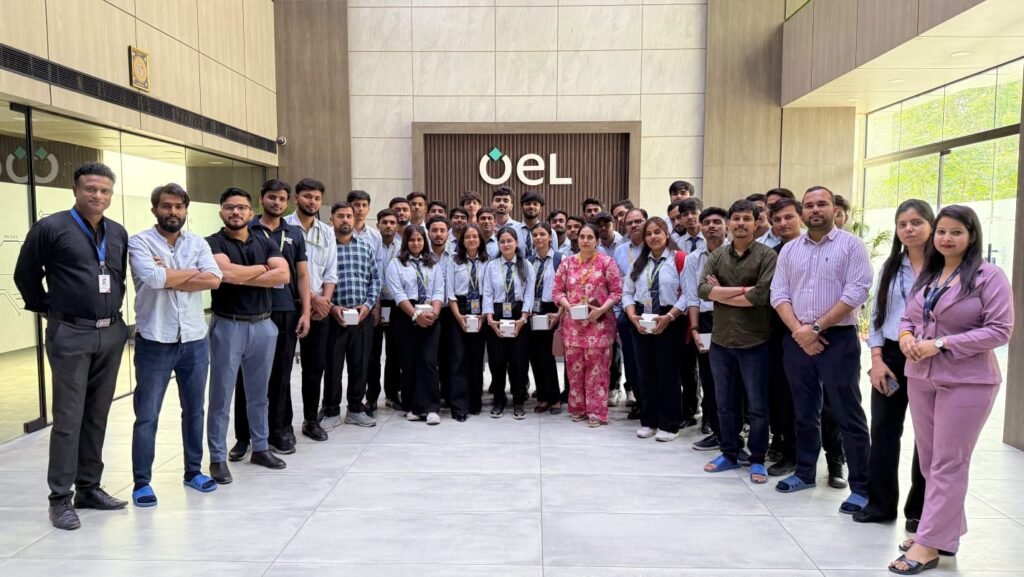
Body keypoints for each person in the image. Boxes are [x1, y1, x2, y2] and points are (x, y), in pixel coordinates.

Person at [888, 205, 1013, 574]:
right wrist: (906, 336)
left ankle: (928, 544)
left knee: (948, 461)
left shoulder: (989, 277)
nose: (946, 238)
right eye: (941, 231)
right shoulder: (930, 273)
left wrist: (942, 344)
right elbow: (909, 317)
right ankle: (943, 530)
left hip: (967, 381)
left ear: (971, 236)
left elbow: (1000, 330)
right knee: (930, 461)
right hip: (921, 376)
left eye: (956, 232)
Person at [15, 162, 131, 530]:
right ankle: (60, 499)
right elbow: (25, 275)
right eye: (90, 189)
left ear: (111, 194)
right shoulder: (51, 228)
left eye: (104, 190)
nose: (98, 195)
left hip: (111, 333)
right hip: (70, 332)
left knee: (97, 414)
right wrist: (50, 309)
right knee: (68, 417)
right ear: (76, 190)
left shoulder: (118, 232)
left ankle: (89, 488)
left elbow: (117, 277)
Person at [770, 186, 873, 516]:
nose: (815, 209)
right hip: (797, 338)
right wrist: (800, 332)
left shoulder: (851, 245)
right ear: (803, 211)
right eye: (809, 205)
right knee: (803, 410)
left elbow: (857, 291)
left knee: (846, 412)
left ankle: (862, 487)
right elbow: (778, 294)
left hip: (838, 338)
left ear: (834, 209)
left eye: (822, 204)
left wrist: (815, 329)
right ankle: (804, 473)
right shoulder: (789, 250)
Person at [128, 183, 222, 508]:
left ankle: (193, 471)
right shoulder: (139, 241)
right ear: (154, 209)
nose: (173, 212)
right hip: (155, 340)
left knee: (194, 410)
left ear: (185, 210)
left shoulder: (197, 242)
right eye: (166, 206)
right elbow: (153, 279)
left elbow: (214, 279)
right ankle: (142, 482)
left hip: (194, 339)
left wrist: (170, 273)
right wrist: (189, 273)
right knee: (147, 414)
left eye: (179, 206)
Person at [853, 200, 933, 527]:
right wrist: (876, 359)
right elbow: (876, 316)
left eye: (916, 222)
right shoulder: (891, 266)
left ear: (931, 225)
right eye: (902, 224)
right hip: (891, 355)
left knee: (928, 436)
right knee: (884, 431)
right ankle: (880, 505)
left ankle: (920, 512)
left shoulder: (945, 267)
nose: (909, 229)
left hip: (930, 355)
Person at [206, 188, 291, 484]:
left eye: (242, 207)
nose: (236, 212)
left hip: (263, 325)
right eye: (230, 207)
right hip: (228, 325)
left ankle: (261, 448)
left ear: (250, 211)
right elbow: (226, 274)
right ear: (221, 211)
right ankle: (217, 457)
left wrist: (243, 274)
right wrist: (263, 269)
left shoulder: (264, 240)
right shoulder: (212, 242)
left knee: (259, 394)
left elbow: (283, 275)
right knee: (221, 395)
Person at [699, 200, 777, 484]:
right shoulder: (718, 255)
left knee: (757, 406)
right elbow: (703, 290)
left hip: (754, 343)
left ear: (756, 223)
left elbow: (761, 296)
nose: (741, 223)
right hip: (721, 342)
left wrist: (722, 292)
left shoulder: (767, 255)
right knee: (724, 403)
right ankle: (729, 453)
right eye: (736, 219)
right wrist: (743, 290)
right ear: (729, 223)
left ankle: (757, 459)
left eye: (747, 218)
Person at [231, 180, 310, 458]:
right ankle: (243, 436)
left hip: (286, 310)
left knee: (280, 374)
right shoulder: (248, 229)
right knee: (246, 375)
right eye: (272, 197)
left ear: (287, 202)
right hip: (253, 311)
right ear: (261, 199)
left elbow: (302, 275)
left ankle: (278, 430)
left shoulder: (294, 233)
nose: (277, 202)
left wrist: (306, 312)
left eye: (281, 198)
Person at [623, 217, 687, 441]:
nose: (653, 237)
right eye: (649, 233)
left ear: (667, 234)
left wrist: (669, 317)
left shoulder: (679, 259)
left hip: (669, 318)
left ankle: (670, 424)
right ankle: (649, 421)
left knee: (668, 373)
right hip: (642, 317)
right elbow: (627, 292)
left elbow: (688, 294)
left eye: (657, 232)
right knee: (646, 373)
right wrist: (632, 316)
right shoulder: (639, 262)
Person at [553, 223, 623, 427]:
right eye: (582, 237)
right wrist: (567, 306)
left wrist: (602, 309)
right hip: (573, 326)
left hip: (599, 325)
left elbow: (616, 292)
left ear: (597, 240)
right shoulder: (567, 263)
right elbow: (557, 291)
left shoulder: (607, 263)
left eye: (590, 237)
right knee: (574, 370)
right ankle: (577, 408)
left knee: (598, 371)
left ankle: (596, 412)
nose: (585, 240)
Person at [285, 178, 337, 441]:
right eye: (307, 196)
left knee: (315, 367)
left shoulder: (326, 232)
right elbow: (287, 272)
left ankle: (310, 420)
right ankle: (282, 424)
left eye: (316, 198)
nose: (312, 202)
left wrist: (324, 301)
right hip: (288, 305)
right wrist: (312, 298)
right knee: (282, 367)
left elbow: (331, 271)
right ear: (296, 198)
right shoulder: (284, 227)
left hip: (319, 309)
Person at [323, 201, 380, 429]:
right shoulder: (326, 246)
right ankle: (331, 411)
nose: (345, 219)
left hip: (361, 316)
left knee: (360, 365)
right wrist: (331, 307)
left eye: (349, 216)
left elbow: (375, 279)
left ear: (354, 219)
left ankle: (355, 409)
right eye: (340, 216)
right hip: (333, 316)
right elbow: (318, 279)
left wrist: (368, 305)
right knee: (333, 366)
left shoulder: (365, 246)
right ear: (332, 219)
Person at [386, 225, 445, 425]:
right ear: (405, 242)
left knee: (428, 361)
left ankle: (432, 408)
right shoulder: (396, 264)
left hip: (430, 314)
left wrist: (435, 313)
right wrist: (415, 315)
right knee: (409, 362)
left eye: (419, 239)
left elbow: (439, 291)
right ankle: (413, 406)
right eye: (412, 240)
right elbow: (398, 293)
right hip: (405, 315)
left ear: (424, 241)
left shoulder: (433, 263)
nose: (416, 243)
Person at [683, 207, 727, 451]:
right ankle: (715, 428)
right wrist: (695, 328)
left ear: (726, 225)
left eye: (717, 222)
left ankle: (735, 430)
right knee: (709, 377)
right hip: (706, 320)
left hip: (733, 319)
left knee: (733, 377)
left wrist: (718, 291)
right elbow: (692, 296)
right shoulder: (693, 259)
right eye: (707, 222)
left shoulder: (738, 253)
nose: (712, 226)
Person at [764, 198, 802, 476]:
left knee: (819, 401)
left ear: (801, 217)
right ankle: (785, 446)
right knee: (780, 394)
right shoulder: (771, 254)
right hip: (778, 332)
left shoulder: (815, 250)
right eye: (777, 220)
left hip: (816, 331)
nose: (783, 223)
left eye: (788, 217)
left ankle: (830, 456)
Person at [483, 226, 536, 419]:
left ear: (516, 243)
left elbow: (529, 294)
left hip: (519, 314)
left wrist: (523, 318)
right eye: (502, 241)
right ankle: (499, 400)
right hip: (497, 313)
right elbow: (487, 292)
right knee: (497, 360)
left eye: (509, 241)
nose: (506, 244)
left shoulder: (526, 265)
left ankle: (518, 400)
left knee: (518, 361)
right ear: (498, 244)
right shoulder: (491, 266)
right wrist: (489, 318)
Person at [447, 223, 490, 420]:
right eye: (467, 237)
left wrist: (483, 316)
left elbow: (489, 292)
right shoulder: (453, 261)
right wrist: (459, 317)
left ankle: (475, 402)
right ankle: (459, 405)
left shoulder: (488, 262)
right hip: (460, 309)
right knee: (458, 358)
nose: (471, 240)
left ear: (480, 239)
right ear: (462, 241)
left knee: (476, 358)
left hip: (481, 310)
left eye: (475, 236)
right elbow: (450, 293)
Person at [613, 208, 648, 414]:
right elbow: (617, 283)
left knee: (651, 359)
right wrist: (621, 313)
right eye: (630, 222)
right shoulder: (620, 250)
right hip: (628, 310)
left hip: (652, 309)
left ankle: (654, 402)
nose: (634, 225)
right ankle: (640, 401)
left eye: (638, 221)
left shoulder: (655, 246)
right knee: (632, 360)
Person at [368, 209, 403, 411]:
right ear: (378, 224)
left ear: (397, 226)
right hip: (373, 302)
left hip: (395, 304)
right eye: (384, 222)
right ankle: (371, 396)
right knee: (373, 352)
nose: (388, 225)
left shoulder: (403, 247)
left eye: (392, 222)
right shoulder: (370, 244)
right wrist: (374, 302)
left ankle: (392, 394)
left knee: (394, 352)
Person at [527, 223, 563, 414]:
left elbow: (567, 289)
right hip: (533, 310)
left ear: (550, 237)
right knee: (535, 355)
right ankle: (542, 397)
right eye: (535, 235)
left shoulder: (560, 259)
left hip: (552, 309)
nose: (538, 238)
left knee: (548, 355)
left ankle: (554, 398)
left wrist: (560, 313)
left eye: (542, 234)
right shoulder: (528, 261)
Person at [427, 216, 455, 408]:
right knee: (431, 356)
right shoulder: (422, 255)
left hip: (450, 311)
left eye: (442, 230)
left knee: (449, 354)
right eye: (434, 230)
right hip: (428, 312)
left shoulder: (455, 256)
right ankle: (432, 394)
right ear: (428, 232)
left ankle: (448, 393)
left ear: (448, 233)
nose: (438, 234)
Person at [349, 189, 383, 257]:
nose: (361, 209)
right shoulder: (338, 232)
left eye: (364, 205)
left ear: (368, 209)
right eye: (357, 205)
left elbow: (378, 261)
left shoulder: (376, 236)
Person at [520, 190, 545, 255]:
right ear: (522, 207)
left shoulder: (549, 232)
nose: (531, 206)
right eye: (528, 204)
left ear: (541, 209)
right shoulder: (513, 231)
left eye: (535, 204)